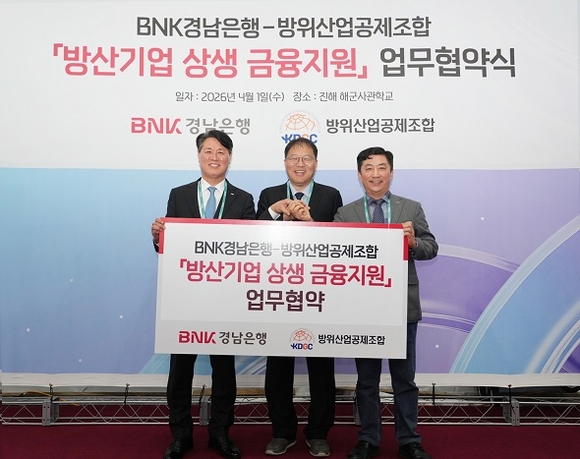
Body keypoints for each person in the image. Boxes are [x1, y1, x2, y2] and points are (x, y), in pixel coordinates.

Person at [151, 130, 256, 459]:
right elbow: (169, 246)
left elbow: (253, 248)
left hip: (227, 301)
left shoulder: (243, 199)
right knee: (180, 371)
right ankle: (181, 435)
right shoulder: (179, 195)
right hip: (185, 299)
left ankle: (220, 433)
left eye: (221, 151)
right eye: (208, 150)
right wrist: (157, 236)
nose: (214, 156)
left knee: (224, 371)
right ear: (199, 156)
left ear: (229, 158)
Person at [333, 147, 438, 459]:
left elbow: (431, 247)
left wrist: (413, 242)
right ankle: (368, 439)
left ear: (391, 173)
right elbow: (335, 254)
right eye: (369, 168)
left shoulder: (411, 208)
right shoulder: (345, 214)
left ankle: (410, 441)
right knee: (366, 381)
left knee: (404, 380)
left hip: (401, 307)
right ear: (360, 175)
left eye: (381, 168)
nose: (375, 174)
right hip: (363, 308)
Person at [257, 137, 343, 457]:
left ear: (316, 164)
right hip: (279, 291)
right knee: (278, 367)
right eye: (294, 158)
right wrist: (275, 212)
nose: (300, 164)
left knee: (321, 368)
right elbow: (252, 236)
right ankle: (282, 431)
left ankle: (318, 433)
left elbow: (339, 242)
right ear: (285, 163)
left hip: (319, 294)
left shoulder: (330, 196)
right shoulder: (269, 195)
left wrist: (310, 223)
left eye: (307, 158)